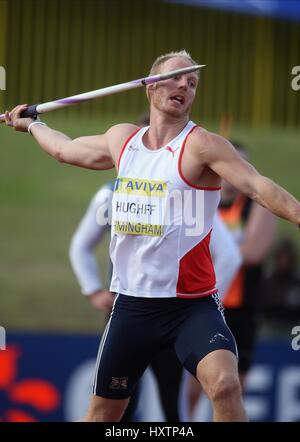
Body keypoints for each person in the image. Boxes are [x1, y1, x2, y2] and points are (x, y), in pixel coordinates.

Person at [5, 50, 300, 422]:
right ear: (150, 86)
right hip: (132, 306)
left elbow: (259, 187)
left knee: (225, 384)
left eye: (192, 82)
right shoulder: (122, 141)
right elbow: (66, 150)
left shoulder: (202, 146)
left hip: (191, 305)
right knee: (102, 414)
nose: (185, 85)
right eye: (177, 77)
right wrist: (33, 125)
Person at [69, 180, 242, 421]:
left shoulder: (115, 192)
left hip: (137, 311)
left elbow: (230, 256)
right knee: (139, 402)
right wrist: (93, 289)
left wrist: (209, 306)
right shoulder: (117, 193)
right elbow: (81, 245)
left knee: (124, 404)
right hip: (161, 312)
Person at [186, 142, 277, 419]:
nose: (234, 175)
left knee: (233, 386)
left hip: (240, 307)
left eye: (243, 166)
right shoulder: (201, 200)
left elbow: (252, 253)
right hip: (201, 306)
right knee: (192, 385)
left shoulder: (256, 206)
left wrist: (216, 247)